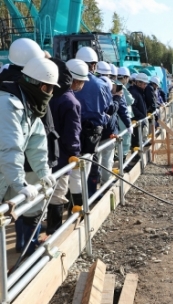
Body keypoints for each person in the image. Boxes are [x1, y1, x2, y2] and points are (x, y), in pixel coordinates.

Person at [0, 57, 59, 255]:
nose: (51, 94)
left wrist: (43, 173)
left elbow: (37, 144)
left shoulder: (28, 106)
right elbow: (10, 148)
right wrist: (20, 185)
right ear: (41, 87)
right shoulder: (7, 105)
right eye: (50, 89)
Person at [47, 59, 88, 234]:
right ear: (76, 81)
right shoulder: (71, 102)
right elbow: (72, 134)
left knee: (45, 194)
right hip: (62, 156)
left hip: (44, 153)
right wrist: (74, 154)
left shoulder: (48, 94)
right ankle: (53, 232)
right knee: (58, 194)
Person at [74, 47, 112, 196]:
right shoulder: (101, 84)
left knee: (71, 168)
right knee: (90, 165)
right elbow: (107, 107)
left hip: (71, 131)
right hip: (92, 133)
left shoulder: (67, 82)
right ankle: (89, 196)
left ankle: (74, 200)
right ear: (93, 65)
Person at [117, 67, 134, 161]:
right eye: (127, 78)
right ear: (124, 77)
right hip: (123, 119)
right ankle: (122, 163)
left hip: (118, 118)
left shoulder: (114, 84)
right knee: (125, 138)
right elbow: (130, 100)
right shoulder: (121, 86)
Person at [128, 73, 148, 150]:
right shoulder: (134, 92)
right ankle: (135, 158)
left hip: (139, 120)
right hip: (136, 121)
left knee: (138, 140)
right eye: (144, 83)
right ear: (139, 83)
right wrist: (141, 116)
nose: (145, 85)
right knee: (135, 141)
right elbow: (133, 107)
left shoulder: (139, 91)